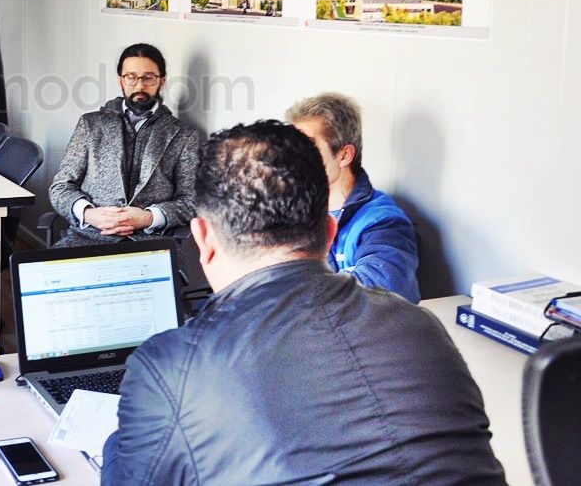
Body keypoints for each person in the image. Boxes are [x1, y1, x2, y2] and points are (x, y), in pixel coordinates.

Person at [101, 121, 505, 485]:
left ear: (203, 239)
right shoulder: (420, 325)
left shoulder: (170, 366)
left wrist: (121, 442)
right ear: (330, 233)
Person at [48, 43, 199, 247]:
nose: (139, 86)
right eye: (131, 77)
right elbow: (61, 187)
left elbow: (190, 201)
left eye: (148, 78)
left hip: (151, 243)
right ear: (120, 80)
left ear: (161, 81)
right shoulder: (91, 124)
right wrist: (89, 214)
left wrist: (149, 218)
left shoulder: (183, 134)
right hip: (88, 237)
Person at [286, 92, 420, 302]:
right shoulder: (290, 211)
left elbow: (385, 291)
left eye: (307, 147)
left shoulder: (383, 222)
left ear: (344, 155)